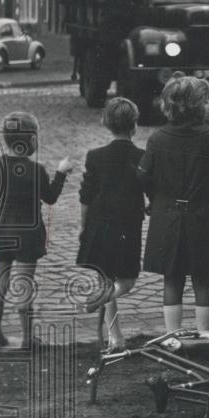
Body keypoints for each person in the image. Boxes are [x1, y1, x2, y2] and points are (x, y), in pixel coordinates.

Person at [138, 74, 209, 335]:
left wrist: (154, 198)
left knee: (172, 277)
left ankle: (172, 335)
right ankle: (203, 333)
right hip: (203, 213)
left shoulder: (157, 138)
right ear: (198, 106)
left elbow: (143, 175)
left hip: (167, 214)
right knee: (203, 278)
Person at [0, 112, 72, 349]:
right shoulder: (37, 170)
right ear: (32, 140)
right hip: (28, 234)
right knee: (24, 284)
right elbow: (51, 198)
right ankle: (27, 340)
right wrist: (62, 172)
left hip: (2, 232)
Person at [75, 98, 146, 352]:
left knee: (106, 280)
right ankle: (113, 332)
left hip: (99, 223)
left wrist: (83, 227)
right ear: (134, 125)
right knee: (125, 282)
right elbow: (149, 190)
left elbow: (86, 196)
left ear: (106, 123)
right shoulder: (141, 156)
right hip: (127, 227)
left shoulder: (95, 156)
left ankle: (116, 336)